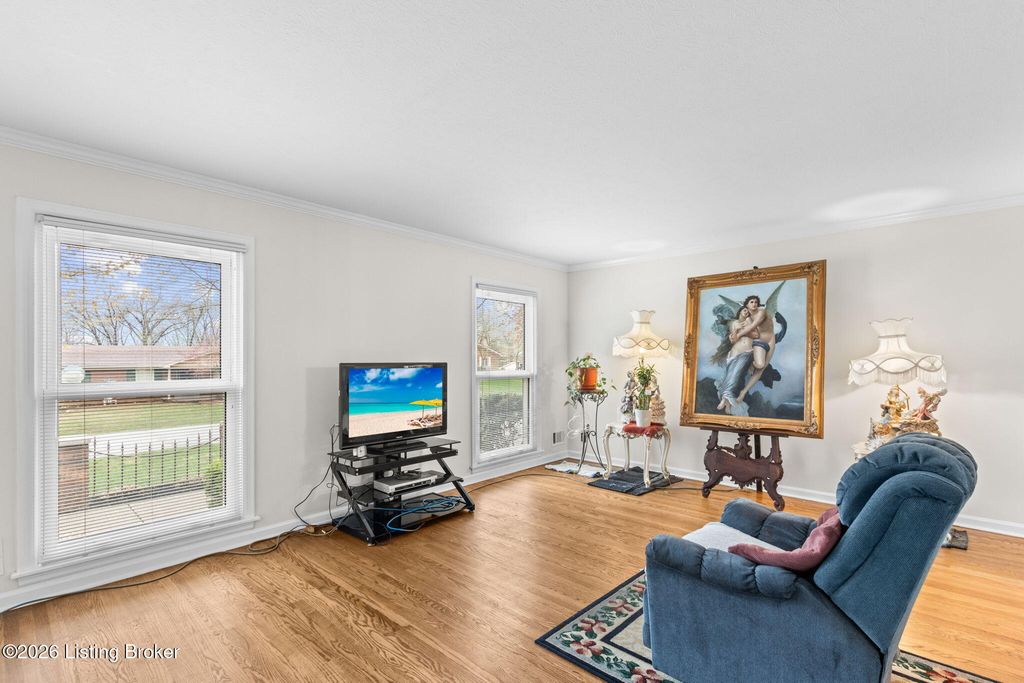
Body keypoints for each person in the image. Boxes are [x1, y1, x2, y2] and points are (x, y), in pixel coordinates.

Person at [715, 307, 757, 414]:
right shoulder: (735, 323)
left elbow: (756, 335)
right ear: (740, 311)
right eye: (744, 310)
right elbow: (733, 340)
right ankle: (727, 404)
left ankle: (725, 399)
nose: (747, 312)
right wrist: (735, 330)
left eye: (748, 311)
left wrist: (742, 332)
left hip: (746, 352)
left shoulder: (750, 322)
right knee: (729, 377)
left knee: (735, 376)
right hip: (735, 351)